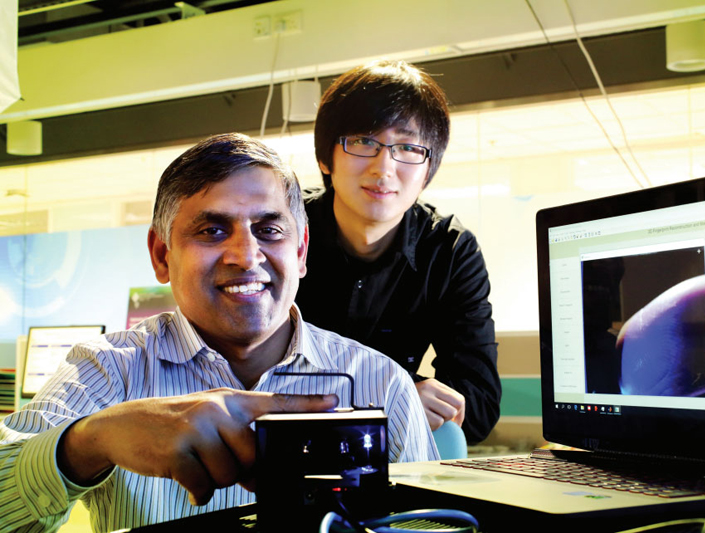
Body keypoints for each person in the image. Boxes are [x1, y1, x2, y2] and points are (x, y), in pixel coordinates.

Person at [0, 133, 437, 533]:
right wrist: (92, 440)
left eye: (268, 230)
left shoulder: (383, 384)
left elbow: (436, 527)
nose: (246, 256)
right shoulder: (108, 370)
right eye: (212, 230)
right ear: (161, 255)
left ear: (301, 251)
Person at [296, 60, 501, 444]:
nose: (384, 167)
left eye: (408, 147)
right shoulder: (281, 232)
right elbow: (244, 378)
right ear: (326, 156)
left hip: (392, 460)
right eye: (363, 141)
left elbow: (479, 403)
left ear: (428, 169)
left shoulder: (450, 250)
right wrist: (393, 399)